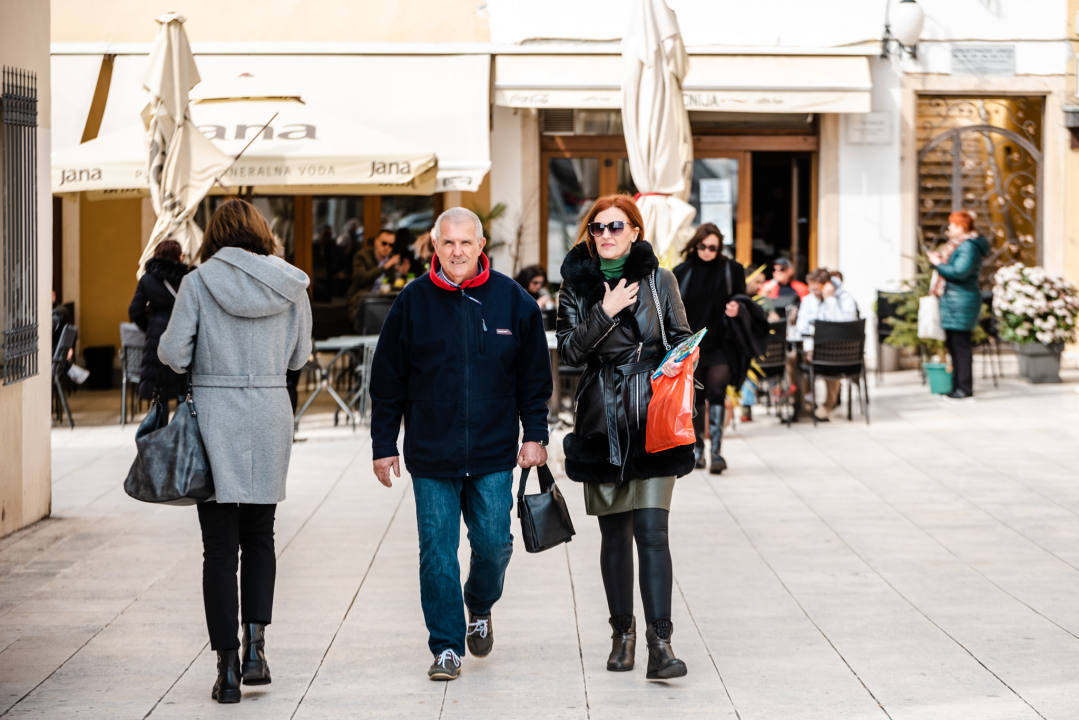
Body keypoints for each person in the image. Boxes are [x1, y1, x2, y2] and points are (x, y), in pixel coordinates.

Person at [369, 207, 552, 682]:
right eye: (447, 243)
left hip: (493, 451)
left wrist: (535, 435)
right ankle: (447, 646)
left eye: (465, 243)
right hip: (432, 454)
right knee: (437, 551)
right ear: (435, 246)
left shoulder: (513, 300)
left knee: (494, 545)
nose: (457, 252)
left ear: (480, 244)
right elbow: (387, 379)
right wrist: (383, 442)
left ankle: (481, 604)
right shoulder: (412, 302)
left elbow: (535, 378)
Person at [158, 199, 312, 704]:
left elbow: (173, 353)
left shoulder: (198, 283)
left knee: (219, 549)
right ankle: (256, 651)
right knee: (261, 537)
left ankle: (226, 670)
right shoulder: (292, 284)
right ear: (261, 232)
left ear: (215, 236)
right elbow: (299, 355)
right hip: (269, 410)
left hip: (216, 416)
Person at [558, 194, 693, 681]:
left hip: (653, 415)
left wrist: (680, 359)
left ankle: (661, 644)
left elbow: (680, 335)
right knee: (615, 536)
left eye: (617, 226)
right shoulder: (576, 284)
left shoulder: (660, 279)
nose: (607, 235)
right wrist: (606, 309)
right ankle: (623, 635)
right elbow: (570, 355)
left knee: (652, 532)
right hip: (602, 420)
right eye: (598, 228)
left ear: (635, 230)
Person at [672, 223, 745, 474]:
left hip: (722, 342)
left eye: (712, 247)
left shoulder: (731, 269)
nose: (706, 251)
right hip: (692, 346)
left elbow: (742, 299)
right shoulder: (681, 272)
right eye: (702, 246)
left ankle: (716, 452)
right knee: (696, 397)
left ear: (719, 248)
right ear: (695, 245)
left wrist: (737, 306)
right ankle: (699, 451)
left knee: (716, 392)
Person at [928, 210, 989, 401]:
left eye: (952, 225)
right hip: (955, 300)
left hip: (962, 301)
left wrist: (938, 263)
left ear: (961, 227)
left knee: (960, 345)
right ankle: (957, 386)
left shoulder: (968, 246)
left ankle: (964, 388)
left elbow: (960, 272)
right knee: (954, 344)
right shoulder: (959, 245)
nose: (949, 229)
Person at [128, 240, 190, 415]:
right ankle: (180, 434)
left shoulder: (147, 279)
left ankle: (161, 436)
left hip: (157, 338)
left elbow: (134, 311)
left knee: (159, 393)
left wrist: (150, 326)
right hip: (182, 335)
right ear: (177, 256)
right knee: (183, 391)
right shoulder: (187, 279)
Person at [788, 268, 859, 420]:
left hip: (838, 350)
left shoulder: (845, 299)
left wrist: (830, 299)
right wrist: (810, 348)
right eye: (810, 287)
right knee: (791, 359)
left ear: (828, 285)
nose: (813, 290)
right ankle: (803, 401)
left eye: (816, 287)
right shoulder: (808, 300)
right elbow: (802, 328)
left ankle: (828, 405)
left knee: (831, 361)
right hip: (811, 348)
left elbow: (841, 326)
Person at [739, 265, 780, 422]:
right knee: (747, 364)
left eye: (761, 282)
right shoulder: (736, 301)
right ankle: (746, 407)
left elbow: (775, 320)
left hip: (767, 353)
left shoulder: (764, 301)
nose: (760, 286)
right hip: (751, 354)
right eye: (757, 282)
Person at [346, 228, 411, 314]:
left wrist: (402, 274)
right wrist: (384, 267)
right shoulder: (362, 255)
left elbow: (396, 286)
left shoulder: (394, 258)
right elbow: (359, 279)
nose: (387, 247)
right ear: (376, 242)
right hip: (363, 300)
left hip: (386, 301)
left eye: (391, 245)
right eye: (384, 243)